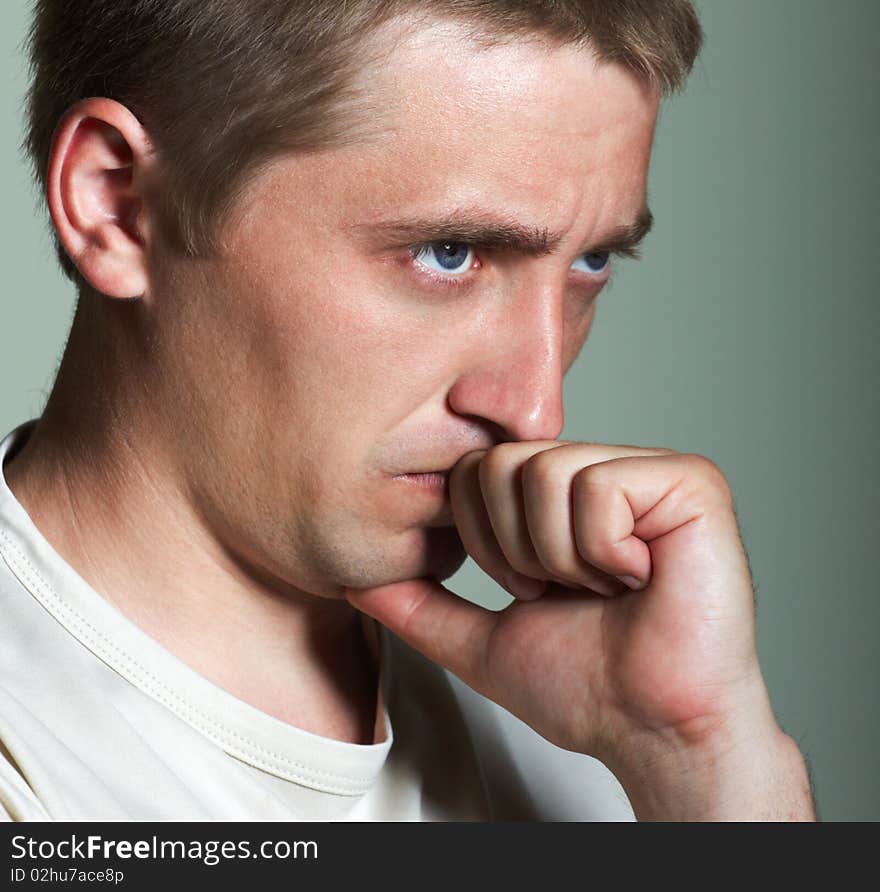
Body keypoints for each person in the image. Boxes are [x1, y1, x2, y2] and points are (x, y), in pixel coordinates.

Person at [0, 0, 816, 821]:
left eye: (592, 261)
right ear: (117, 206)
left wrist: (701, 756)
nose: (536, 409)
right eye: (447, 253)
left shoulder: (610, 735)